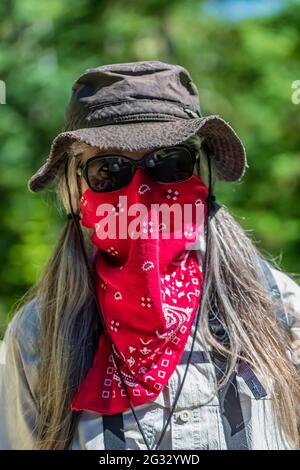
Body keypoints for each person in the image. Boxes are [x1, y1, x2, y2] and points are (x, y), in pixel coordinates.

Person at [0, 60, 299, 451]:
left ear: (202, 176)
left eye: (170, 162)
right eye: (110, 168)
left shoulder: (277, 308)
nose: (140, 192)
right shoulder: (39, 335)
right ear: (78, 189)